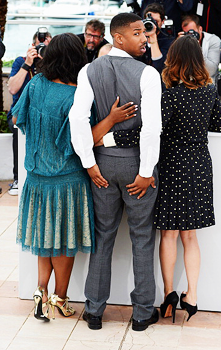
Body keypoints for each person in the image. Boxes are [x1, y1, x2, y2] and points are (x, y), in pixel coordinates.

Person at [12, 33, 137, 322]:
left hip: (37, 177)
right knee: (64, 242)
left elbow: (19, 119)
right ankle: (60, 297)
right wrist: (112, 119)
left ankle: (39, 293)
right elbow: (87, 139)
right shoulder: (77, 95)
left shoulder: (36, 84)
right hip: (68, 179)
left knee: (44, 238)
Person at [69, 12, 162, 332]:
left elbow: (77, 119)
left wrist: (89, 164)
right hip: (137, 165)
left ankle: (94, 311)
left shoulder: (88, 70)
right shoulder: (148, 74)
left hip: (103, 164)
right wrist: (147, 171)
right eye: (137, 33)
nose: (145, 38)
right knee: (142, 239)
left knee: (102, 237)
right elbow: (152, 129)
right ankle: (142, 313)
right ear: (118, 38)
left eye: (144, 33)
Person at [154, 35, 221, 323]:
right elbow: (220, 125)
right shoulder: (209, 92)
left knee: (169, 234)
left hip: (173, 165)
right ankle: (193, 296)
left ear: (173, 62)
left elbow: (155, 131)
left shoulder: (170, 95)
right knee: (191, 236)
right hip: (199, 165)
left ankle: (170, 294)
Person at [7, 28, 52, 196]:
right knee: (17, 126)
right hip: (20, 115)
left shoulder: (52, 64)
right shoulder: (21, 62)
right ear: (32, 46)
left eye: (46, 46)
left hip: (45, 114)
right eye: (39, 46)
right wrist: (28, 63)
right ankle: (18, 177)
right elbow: (12, 89)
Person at [179, 14, 220, 84]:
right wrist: (178, 46)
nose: (189, 36)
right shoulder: (182, 42)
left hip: (207, 85)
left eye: (192, 32)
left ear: (200, 29)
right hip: (186, 84)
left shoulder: (213, 40)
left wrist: (196, 48)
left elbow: (211, 70)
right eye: (187, 33)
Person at [139, 3, 174, 74]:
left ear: (163, 21)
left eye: (155, 21)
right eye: (149, 21)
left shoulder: (168, 39)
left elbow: (159, 66)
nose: (152, 24)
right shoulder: (139, 37)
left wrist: (152, 37)